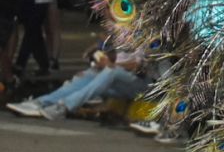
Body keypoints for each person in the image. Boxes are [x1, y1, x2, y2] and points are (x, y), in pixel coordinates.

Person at [7, 43, 148, 119]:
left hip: (144, 86)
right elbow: (105, 51)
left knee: (112, 71)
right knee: (89, 74)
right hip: (122, 83)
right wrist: (98, 55)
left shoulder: (150, 34)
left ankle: (63, 107)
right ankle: (41, 102)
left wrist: (110, 65)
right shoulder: (123, 31)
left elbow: (138, 65)